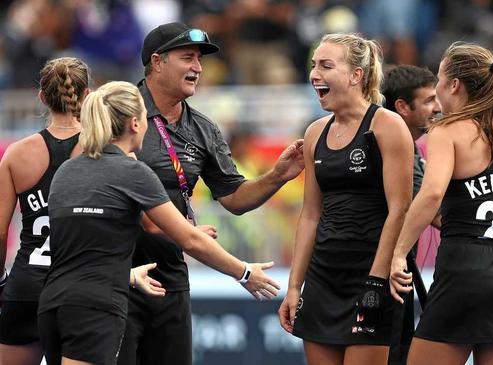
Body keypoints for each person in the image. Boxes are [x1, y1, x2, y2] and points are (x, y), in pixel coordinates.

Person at [37, 81, 280, 365]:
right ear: (136, 124)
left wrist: (127, 275)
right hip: (96, 307)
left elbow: (84, 250)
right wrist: (245, 272)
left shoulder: (66, 171)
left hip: (53, 304)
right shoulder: (133, 172)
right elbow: (189, 240)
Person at [119, 22, 305, 365]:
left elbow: (234, 198)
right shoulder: (120, 113)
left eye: (199, 60)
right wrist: (191, 237)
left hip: (171, 278)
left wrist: (278, 176)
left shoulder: (203, 128)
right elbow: (134, 209)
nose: (198, 68)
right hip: (117, 277)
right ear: (157, 62)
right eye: (188, 58)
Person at [390, 42, 493, 365]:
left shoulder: (448, 130)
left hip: (465, 272)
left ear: (454, 85)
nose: (437, 91)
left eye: (439, 81)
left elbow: (430, 195)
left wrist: (398, 253)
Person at [278, 32, 413, 365]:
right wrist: (295, 286)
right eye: (313, 66)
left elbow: (400, 209)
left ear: (357, 76)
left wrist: (377, 280)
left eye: (326, 66)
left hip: (368, 274)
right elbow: (310, 214)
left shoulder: (387, 125)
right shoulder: (314, 133)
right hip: (323, 280)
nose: (314, 75)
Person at [0, 57, 88, 365]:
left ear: (42, 97)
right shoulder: (102, 152)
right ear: (86, 95)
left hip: (26, 285)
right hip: (79, 289)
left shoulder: (17, 153)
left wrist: (1, 280)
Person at [382, 64, 439, 365]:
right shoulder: (398, 151)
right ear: (402, 107)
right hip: (384, 279)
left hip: (391, 275)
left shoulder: (411, 150)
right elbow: (437, 214)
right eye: (429, 100)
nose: (438, 107)